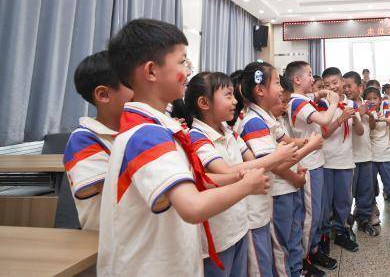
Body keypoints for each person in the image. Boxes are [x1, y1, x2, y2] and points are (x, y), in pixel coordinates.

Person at [99, 19, 269, 276]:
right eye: (182, 62)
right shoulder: (146, 134)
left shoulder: (160, 127)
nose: (187, 71)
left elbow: (192, 180)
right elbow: (192, 206)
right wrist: (246, 185)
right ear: (151, 71)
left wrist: (236, 175)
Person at [185, 72, 298, 277]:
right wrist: (275, 158)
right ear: (204, 102)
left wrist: (280, 158)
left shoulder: (229, 131)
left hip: (239, 223)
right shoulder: (197, 137)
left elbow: (252, 161)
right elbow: (226, 172)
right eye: (228, 95)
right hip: (218, 234)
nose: (235, 101)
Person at [235, 62, 323, 277]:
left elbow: (283, 151)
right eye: (276, 82)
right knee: (279, 250)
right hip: (272, 195)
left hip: (278, 193)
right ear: (260, 90)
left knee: (287, 242)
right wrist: (309, 146)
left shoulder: (267, 119)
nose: (281, 88)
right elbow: (275, 164)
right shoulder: (254, 122)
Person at [64, 51, 133, 231]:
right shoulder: (83, 139)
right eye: (135, 85)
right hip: (109, 246)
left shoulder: (135, 131)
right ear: (103, 94)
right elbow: (125, 192)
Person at [284, 61, 341, 273]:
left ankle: (314, 249)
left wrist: (323, 92)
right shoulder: (296, 103)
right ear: (297, 80)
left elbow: (314, 96)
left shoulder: (302, 98)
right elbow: (325, 119)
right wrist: (334, 101)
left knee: (318, 212)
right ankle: (302, 262)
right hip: (307, 165)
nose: (313, 79)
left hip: (317, 162)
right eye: (309, 74)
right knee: (310, 216)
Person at [319, 67, 361, 253]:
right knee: (326, 202)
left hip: (345, 160)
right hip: (326, 161)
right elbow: (324, 134)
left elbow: (359, 132)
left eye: (335, 83)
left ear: (342, 82)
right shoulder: (322, 105)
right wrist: (341, 118)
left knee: (344, 200)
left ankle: (342, 232)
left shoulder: (352, 103)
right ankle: (325, 235)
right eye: (327, 84)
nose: (332, 87)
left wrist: (356, 118)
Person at [343, 71, 376, 236]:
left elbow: (372, 126)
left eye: (349, 86)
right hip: (350, 157)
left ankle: (364, 220)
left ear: (360, 87)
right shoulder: (345, 105)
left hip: (366, 155)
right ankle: (345, 224)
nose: (346, 89)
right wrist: (359, 113)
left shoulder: (367, 104)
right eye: (345, 86)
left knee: (366, 191)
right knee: (348, 194)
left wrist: (370, 116)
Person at [365, 86, 390, 226]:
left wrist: (385, 119)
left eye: (375, 98)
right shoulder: (365, 113)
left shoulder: (385, 111)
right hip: (370, 156)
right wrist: (370, 116)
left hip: (385, 154)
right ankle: (373, 207)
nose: (373, 101)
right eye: (369, 99)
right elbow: (370, 127)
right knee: (371, 185)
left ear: (380, 100)